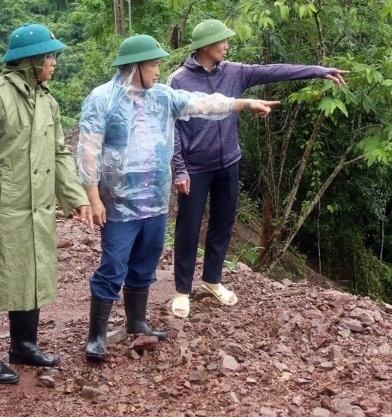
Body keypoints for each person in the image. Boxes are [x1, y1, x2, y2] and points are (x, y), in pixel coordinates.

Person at [77, 33, 280, 363]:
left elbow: (203, 102)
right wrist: (93, 197)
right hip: (118, 203)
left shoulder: (161, 97)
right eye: (154, 65)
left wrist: (243, 103)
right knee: (113, 265)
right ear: (135, 67)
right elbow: (88, 150)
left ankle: (136, 321)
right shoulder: (103, 100)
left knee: (145, 261)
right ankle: (96, 335)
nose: (158, 71)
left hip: (154, 202)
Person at [166, 19, 348, 318]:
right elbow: (171, 127)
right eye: (222, 41)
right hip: (196, 167)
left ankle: (212, 280)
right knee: (188, 229)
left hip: (229, 163)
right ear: (205, 46)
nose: (226, 45)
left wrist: (319, 70)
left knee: (223, 224)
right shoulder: (178, 81)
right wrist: (180, 169)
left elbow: (274, 70)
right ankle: (182, 291)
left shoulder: (235, 72)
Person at [0, 23, 92, 384]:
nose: (54, 62)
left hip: (37, 210)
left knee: (31, 273)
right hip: (3, 211)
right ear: (29, 61)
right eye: (49, 56)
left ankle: (23, 345)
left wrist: (74, 197)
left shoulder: (46, 100)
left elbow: (59, 152)